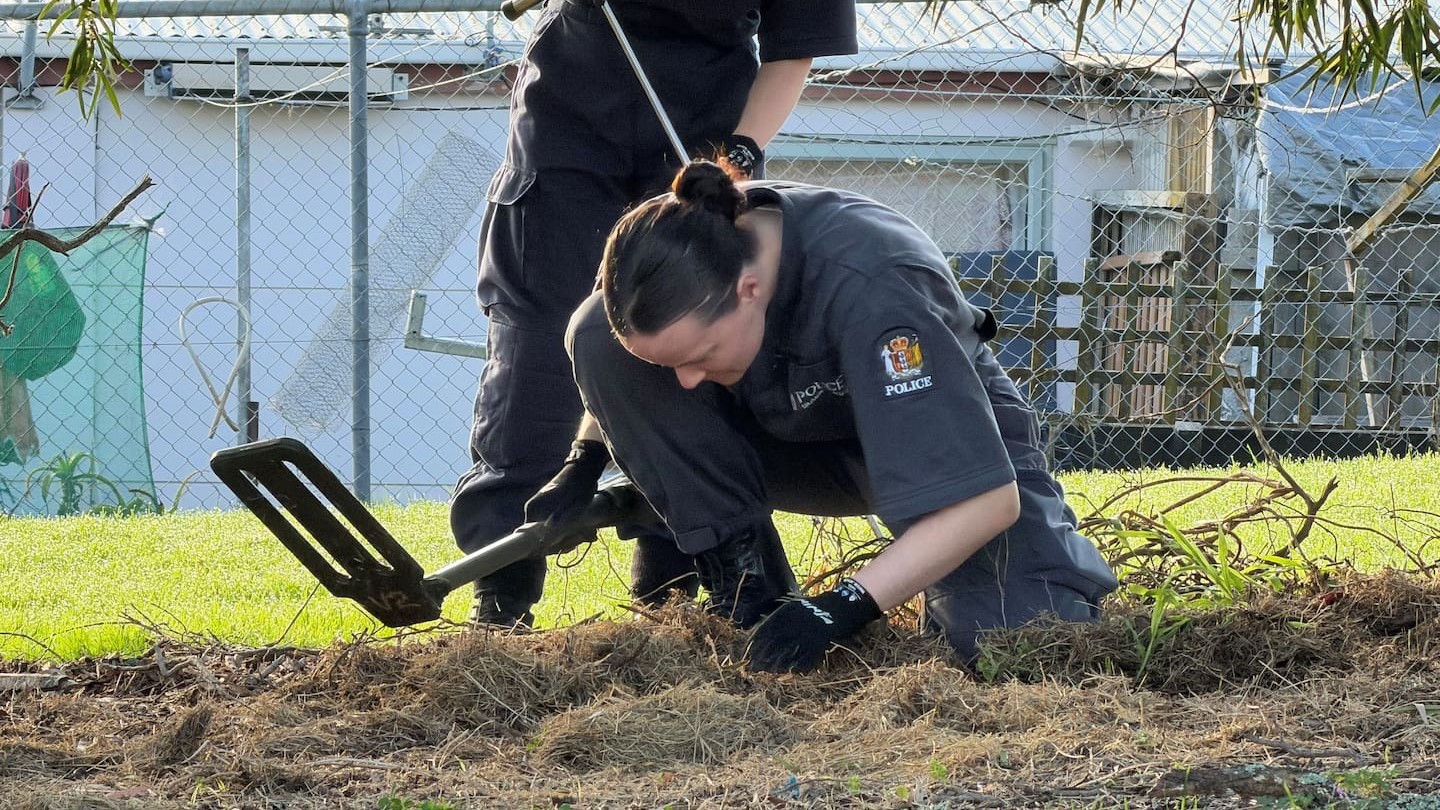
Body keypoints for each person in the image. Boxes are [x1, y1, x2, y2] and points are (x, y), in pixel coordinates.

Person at [551, 161, 1119, 671]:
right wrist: (586, 457)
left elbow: (988, 501)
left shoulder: (872, 283)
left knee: (1015, 643)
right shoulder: (669, 251)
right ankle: (747, 588)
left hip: (931, 439)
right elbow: (638, 360)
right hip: (783, 427)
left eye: (699, 358)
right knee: (596, 334)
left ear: (750, 290)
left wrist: (842, 608)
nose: (685, 385)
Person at [450, 1, 859, 627]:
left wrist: (741, 152)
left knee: (685, 340)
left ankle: (677, 593)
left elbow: (792, 50)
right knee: (535, 354)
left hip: (704, 131)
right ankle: (498, 595)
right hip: (568, 112)